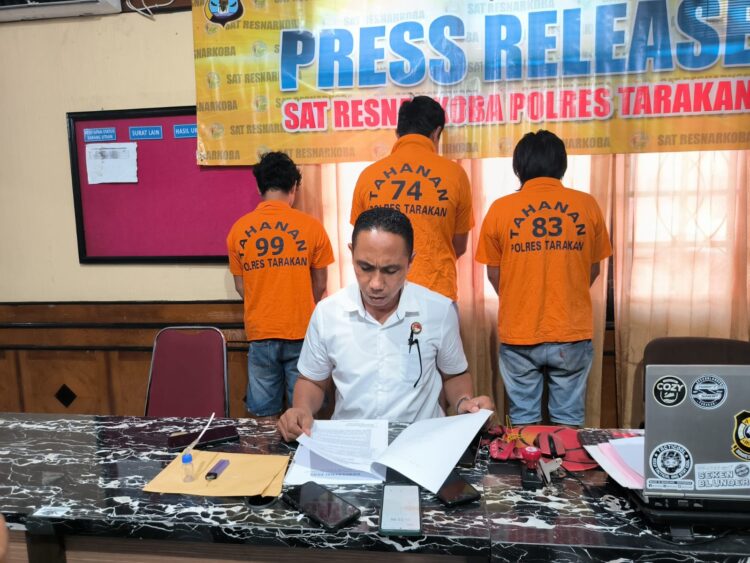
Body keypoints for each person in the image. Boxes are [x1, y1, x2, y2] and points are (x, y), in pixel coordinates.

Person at [277, 207, 493, 441]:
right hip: (350, 442)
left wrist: (464, 404)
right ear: (351, 254)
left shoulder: (438, 311)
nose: (376, 284)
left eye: (390, 270)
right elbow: (312, 381)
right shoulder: (328, 313)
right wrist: (302, 410)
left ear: (410, 262)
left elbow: (454, 376)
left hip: (420, 443)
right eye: (365, 267)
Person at [475, 130, 612, 427]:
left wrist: (519, 297)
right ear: (562, 166)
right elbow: (594, 268)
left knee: (524, 420)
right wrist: (568, 290)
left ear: (519, 168)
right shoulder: (587, 206)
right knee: (568, 419)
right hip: (572, 331)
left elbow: (494, 272)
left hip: (518, 331)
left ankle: (527, 473)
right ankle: (568, 473)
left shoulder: (500, 209)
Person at [227, 151, 334, 418]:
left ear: (258, 187)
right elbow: (320, 283)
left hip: (260, 332)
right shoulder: (313, 227)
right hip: (301, 331)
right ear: (294, 187)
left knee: (264, 418)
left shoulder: (238, 230)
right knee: (304, 412)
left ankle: (267, 460)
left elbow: (242, 287)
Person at [350, 96, 473, 301]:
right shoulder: (456, 175)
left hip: (382, 295)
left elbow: (361, 243)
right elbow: (459, 246)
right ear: (436, 133)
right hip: (436, 295)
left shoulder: (369, 175)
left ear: (398, 133)